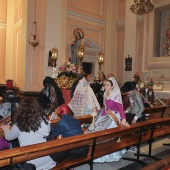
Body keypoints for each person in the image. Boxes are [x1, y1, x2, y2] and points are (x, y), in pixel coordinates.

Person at [0, 97, 57, 170]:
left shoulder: (19, 123)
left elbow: (8, 137)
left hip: (31, 162)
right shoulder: (44, 119)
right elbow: (48, 131)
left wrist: (6, 128)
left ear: (21, 109)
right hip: (48, 158)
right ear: (37, 107)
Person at [85, 77, 129, 163]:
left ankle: (103, 154)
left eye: (108, 85)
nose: (105, 86)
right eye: (105, 85)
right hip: (103, 114)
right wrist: (97, 111)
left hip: (112, 117)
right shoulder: (106, 93)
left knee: (104, 134)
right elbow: (104, 107)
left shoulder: (115, 95)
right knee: (93, 130)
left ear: (113, 86)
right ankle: (92, 153)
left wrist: (123, 119)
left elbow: (120, 108)